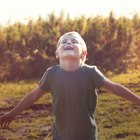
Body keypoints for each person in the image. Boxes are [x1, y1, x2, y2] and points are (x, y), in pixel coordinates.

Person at [0, 31, 140, 140]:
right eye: (64, 42)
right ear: (57, 54)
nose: (69, 43)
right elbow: (32, 96)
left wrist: (138, 100)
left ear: (83, 53)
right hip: (60, 135)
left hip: (86, 135)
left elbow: (114, 87)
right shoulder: (51, 74)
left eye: (74, 41)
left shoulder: (91, 72)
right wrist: (12, 114)